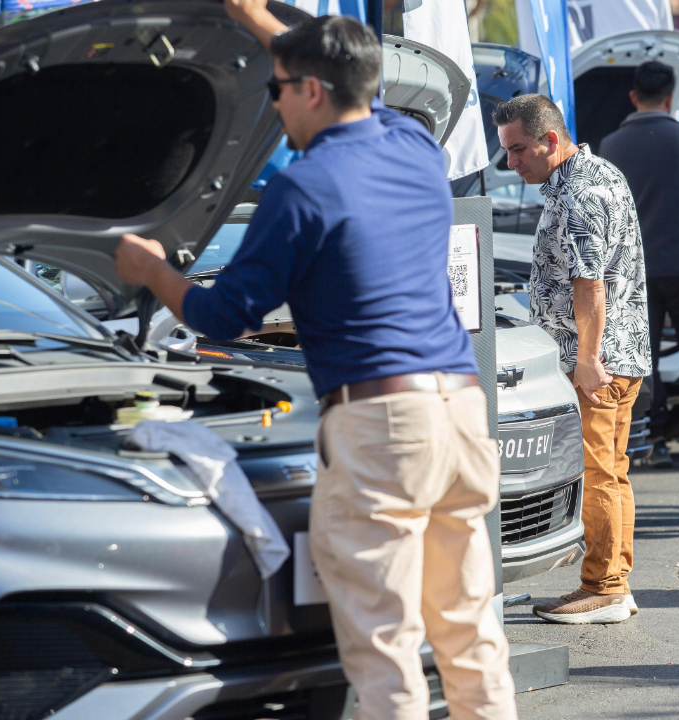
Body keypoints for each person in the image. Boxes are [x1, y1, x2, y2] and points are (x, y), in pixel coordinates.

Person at [113, 4, 518, 718]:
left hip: (383, 424)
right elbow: (367, 91)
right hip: (462, 411)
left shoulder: (303, 189)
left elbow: (220, 315)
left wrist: (151, 271)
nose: (274, 105)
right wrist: (259, 21)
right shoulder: (415, 151)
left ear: (311, 92)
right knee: (470, 628)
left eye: (277, 89)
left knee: (385, 646)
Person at [492, 94, 650, 624]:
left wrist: (586, 359)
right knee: (612, 470)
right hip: (616, 354)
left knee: (598, 472)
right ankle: (610, 583)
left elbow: (590, 285)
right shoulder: (596, 175)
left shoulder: (581, 193)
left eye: (518, 150)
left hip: (598, 361)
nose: (511, 163)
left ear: (550, 140)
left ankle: (606, 587)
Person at [598, 60, 679, 469]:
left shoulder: (611, 146)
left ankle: (653, 438)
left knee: (642, 354)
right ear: (671, 97)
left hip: (636, 271)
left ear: (634, 97)